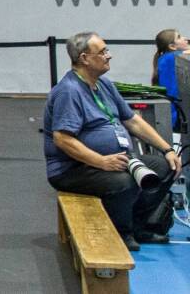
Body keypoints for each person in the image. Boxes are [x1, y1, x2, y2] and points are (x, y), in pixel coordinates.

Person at [43, 31, 179, 250]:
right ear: (85, 58)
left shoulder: (104, 84)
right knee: (124, 182)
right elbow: (63, 139)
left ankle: (137, 226)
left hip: (117, 159)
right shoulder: (69, 91)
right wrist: (101, 161)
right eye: (102, 52)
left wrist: (167, 149)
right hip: (74, 169)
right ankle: (120, 232)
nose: (109, 55)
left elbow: (133, 121)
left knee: (166, 167)